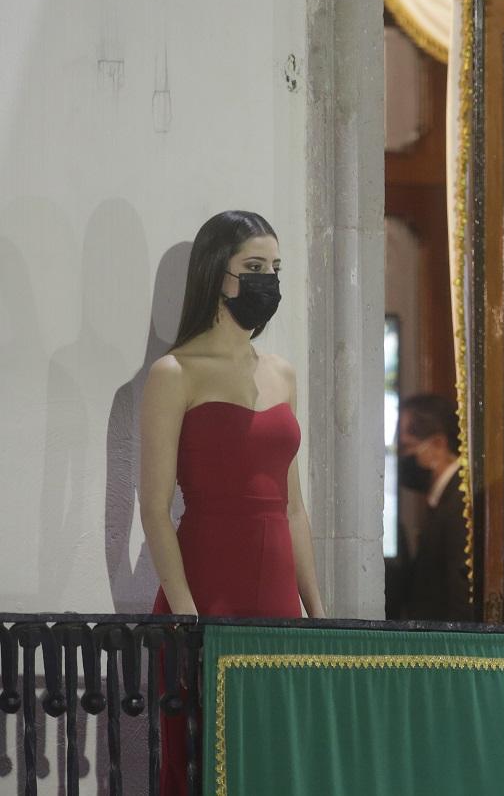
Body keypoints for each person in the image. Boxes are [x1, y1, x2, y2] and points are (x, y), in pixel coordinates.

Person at [140, 211, 324, 794]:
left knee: (274, 757)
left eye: (275, 268)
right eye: (254, 267)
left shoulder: (283, 374)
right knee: (197, 758)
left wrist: (315, 608)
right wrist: (188, 613)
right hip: (205, 585)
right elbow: (153, 506)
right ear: (218, 275)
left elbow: (293, 507)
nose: (268, 279)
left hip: (277, 597)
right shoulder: (174, 373)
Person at [397, 394, 473, 621]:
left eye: (408, 446)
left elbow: (460, 598)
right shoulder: (444, 500)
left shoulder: (459, 504)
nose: (403, 457)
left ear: (439, 444)